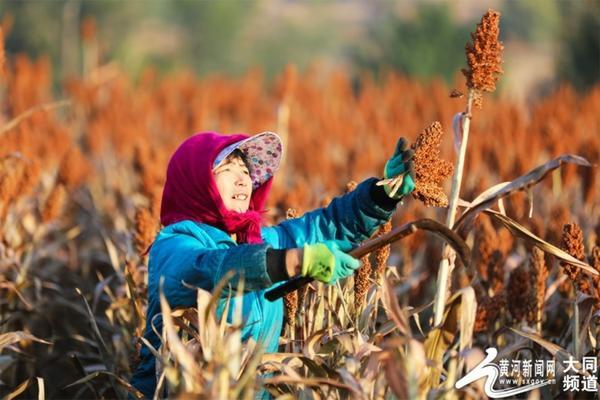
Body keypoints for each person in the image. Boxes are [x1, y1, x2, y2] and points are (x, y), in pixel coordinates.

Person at [130, 131, 414, 398]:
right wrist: (295, 261)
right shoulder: (173, 244)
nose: (243, 181)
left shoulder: (260, 241)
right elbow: (208, 269)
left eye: (245, 172)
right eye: (227, 171)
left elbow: (324, 227)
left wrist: (381, 195)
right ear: (195, 182)